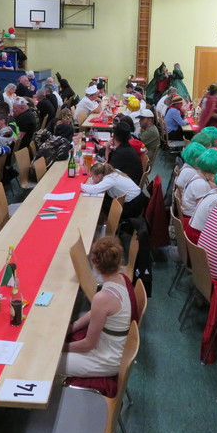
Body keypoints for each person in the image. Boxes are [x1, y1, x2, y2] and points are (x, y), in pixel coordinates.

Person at [60, 237, 132, 378]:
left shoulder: (102, 298)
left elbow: (88, 344)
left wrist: (60, 348)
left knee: (49, 360)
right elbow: (96, 312)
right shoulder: (121, 278)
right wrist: (73, 326)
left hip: (106, 360)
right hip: (113, 348)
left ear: (95, 263)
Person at [181, 148, 217, 244]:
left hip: (190, 218)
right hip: (191, 222)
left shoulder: (199, 175)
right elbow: (204, 210)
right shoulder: (201, 184)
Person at [80, 162, 145, 220]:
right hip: (138, 197)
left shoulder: (110, 179)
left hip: (134, 205)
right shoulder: (113, 172)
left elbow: (94, 189)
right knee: (105, 199)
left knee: (104, 204)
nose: (92, 179)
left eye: (92, 177)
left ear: (99, 176)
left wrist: (78, 185)